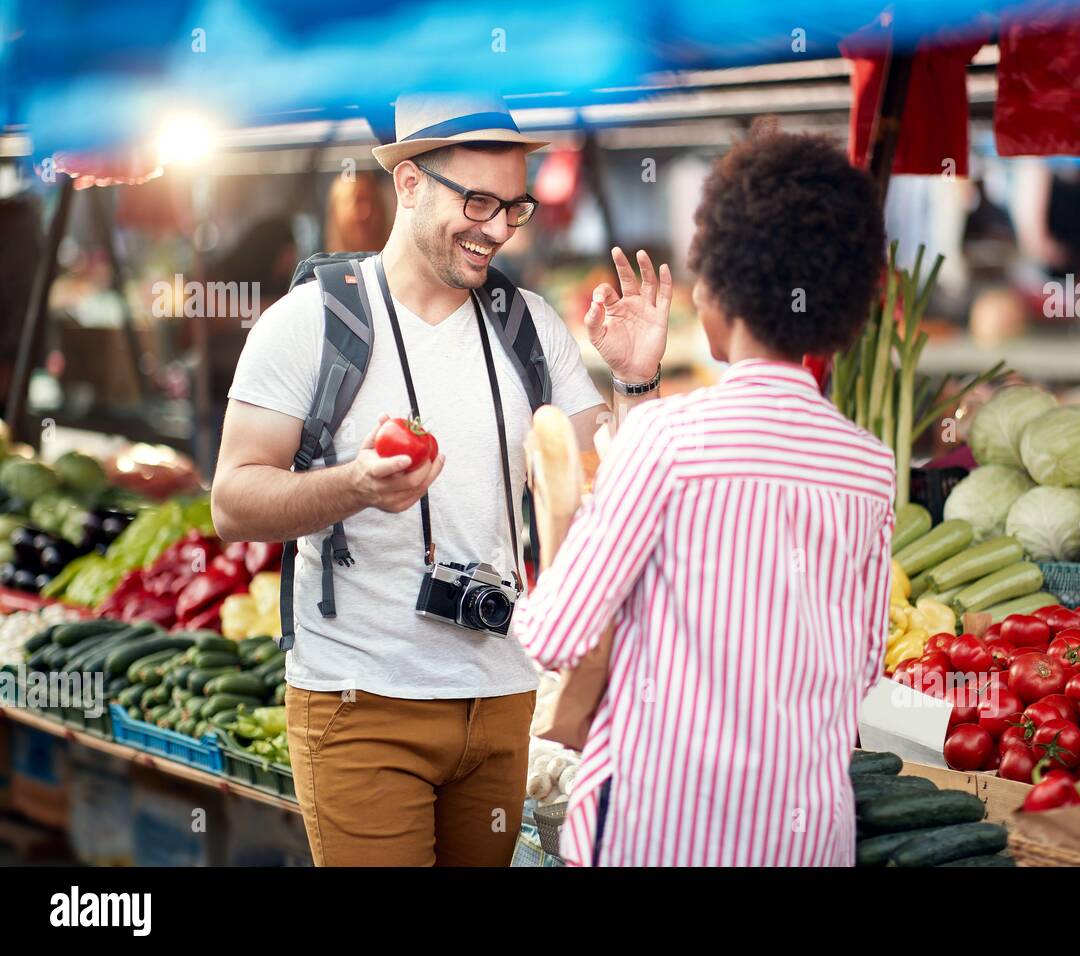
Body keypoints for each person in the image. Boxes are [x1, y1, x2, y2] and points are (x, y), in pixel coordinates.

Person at [211, 93, 671, 866]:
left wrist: (636, 381)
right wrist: (353, 485)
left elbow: (606, 489)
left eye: (513, 208)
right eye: (479, 201)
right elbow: (232, 502)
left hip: (502, 699)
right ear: (411, 184)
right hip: (362, 704)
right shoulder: (309, 322)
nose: (496, 228)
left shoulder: (530, 325)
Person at [513, 125, 895, 866]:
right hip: (806, 838)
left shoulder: (665, 438)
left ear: (718, 287)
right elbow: (863, 668)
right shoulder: (869, 466)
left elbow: (556, 635)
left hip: (661, 831)